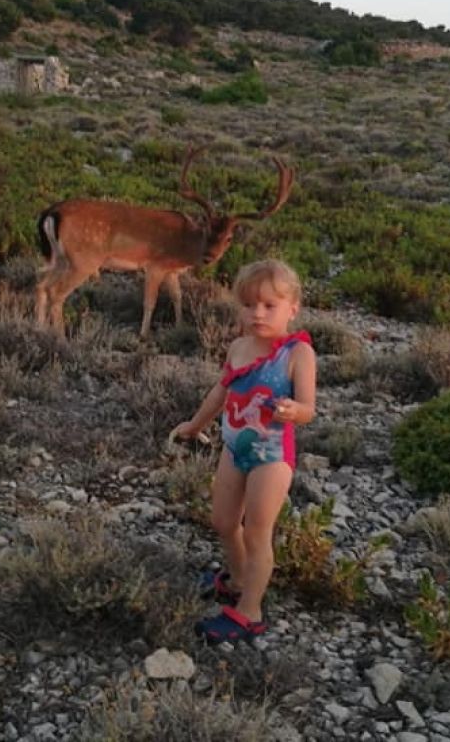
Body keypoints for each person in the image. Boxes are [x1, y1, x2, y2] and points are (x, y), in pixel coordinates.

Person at [172, 259, 317, 643]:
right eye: (249, 305)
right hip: (234, 448)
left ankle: (249, 610)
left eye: (270, 305)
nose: (258, 314)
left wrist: (293, 411)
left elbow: (308, 408)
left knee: (257, 532)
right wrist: (195, 425)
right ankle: (237, 579)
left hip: (271, 457)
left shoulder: (297, 355)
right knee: (222, 522)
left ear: (293, 308)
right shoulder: (238, 347)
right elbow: (221, 392)